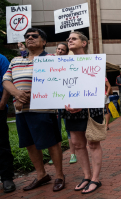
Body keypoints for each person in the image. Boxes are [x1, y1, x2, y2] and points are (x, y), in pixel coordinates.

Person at [3, 28, 65, 191]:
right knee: (29, 144)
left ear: (44, 41)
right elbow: (6, 80)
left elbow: (56, 81)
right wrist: (16, 93)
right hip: (21, 111)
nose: (29, 38)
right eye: (27, 36)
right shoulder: (16, 60)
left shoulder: (52, 59)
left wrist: (28, 96)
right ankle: (41, 175)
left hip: (44, 110)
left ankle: (59, 175)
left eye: (34, 36)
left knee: (52, 143)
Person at [18, 42, 77, 165]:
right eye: (58, 49)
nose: (60, 51)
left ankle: (72, 154)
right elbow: (30, 60)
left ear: (66, 53)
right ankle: (55, 155)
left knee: (69, 128)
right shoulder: (49, 60)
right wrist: (23, 51)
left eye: (63, 50)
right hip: (53, 103)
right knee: (57, 130)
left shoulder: (68, 64)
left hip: (66, 102)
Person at [64, 31, 103, 194]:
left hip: (90, 108)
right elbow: (60, 87)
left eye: (73, 38)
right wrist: (64, 103)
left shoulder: (94, 61)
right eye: (68, 39)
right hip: (70, 109)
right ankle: (86, 177)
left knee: (93, 143)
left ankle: (95, 179)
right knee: (77, 143)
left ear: (84, 43)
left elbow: (99, 88)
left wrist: (83, 103)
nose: (69, 41)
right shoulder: (62, 63)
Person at [0, 54, 16, 193]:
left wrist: (2, 103)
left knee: (2, 143)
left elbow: (6, 81)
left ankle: (6, 177)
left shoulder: (1, 59)